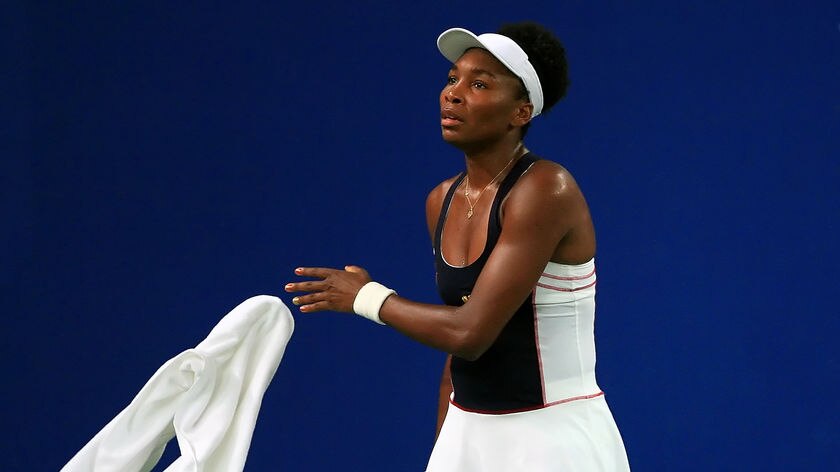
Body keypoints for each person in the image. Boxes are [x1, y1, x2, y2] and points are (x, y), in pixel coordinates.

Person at [285, 22, 630, 471]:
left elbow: (469, 332)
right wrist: (446, 446)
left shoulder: (546, 189)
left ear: (521, 112)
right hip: (468, 433)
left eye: (480, 83)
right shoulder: (441, 199)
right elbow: (458, 351)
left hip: (553, 436)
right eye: (452, 79)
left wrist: (366, 298)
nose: (453, 93)